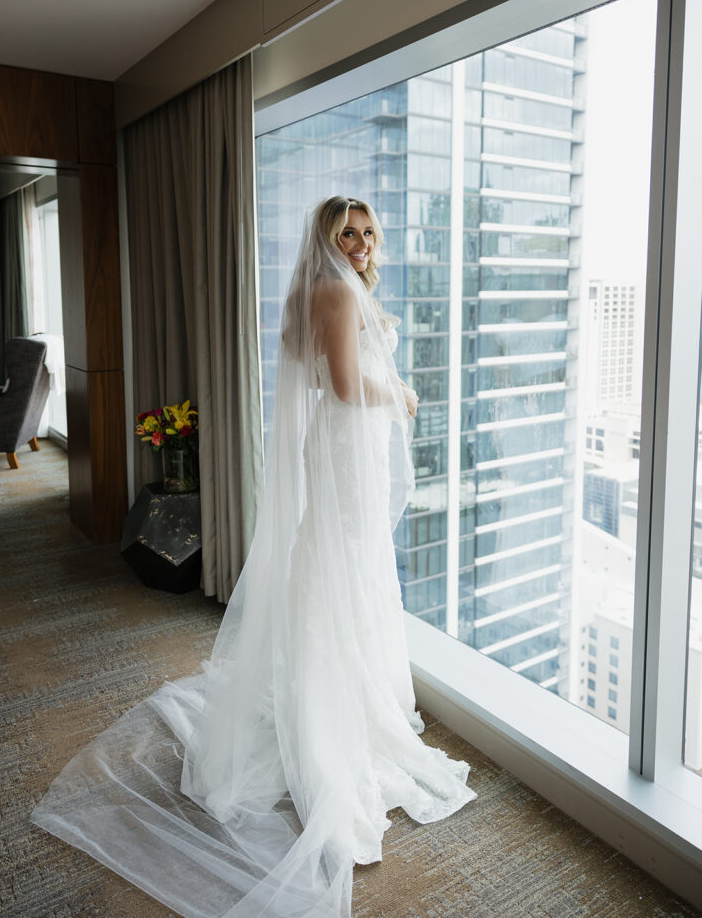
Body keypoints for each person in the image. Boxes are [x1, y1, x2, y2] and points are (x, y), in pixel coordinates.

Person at [31, 196, 476, 918]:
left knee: (337, 571)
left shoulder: (317, 288)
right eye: (348, 233)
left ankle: (328, 691)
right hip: (346, 446)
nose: (361, 243)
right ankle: (334, 715)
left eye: (368, 233)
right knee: (343, 570)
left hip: (337, 448)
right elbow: (338, 383)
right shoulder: (333, 290)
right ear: (326, 239)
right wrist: (397, 390)